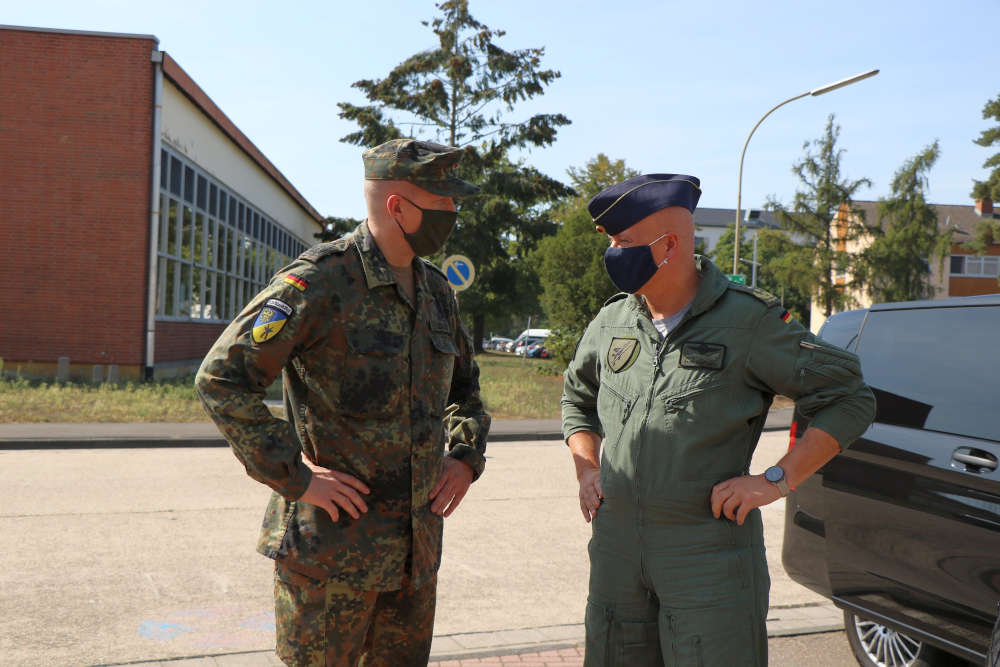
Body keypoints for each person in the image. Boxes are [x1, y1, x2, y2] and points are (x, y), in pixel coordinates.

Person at [196, 138, 491, 666]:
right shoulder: (320, 282)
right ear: (399, 206)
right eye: (444, 201)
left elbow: (465, 391)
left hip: (412, 558)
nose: (454, 212)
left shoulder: (437, 292)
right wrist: (297, 477)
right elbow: (222, 379)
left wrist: (465, 457)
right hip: (330, 560)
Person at [561, 174, 875, 666]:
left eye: (624, 243)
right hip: (616, 555)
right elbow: (577, 398)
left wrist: (775, 480)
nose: (613, 254)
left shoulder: (748, 322)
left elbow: (849, 398)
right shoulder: (613, 321)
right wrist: (586, 467)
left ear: (668, 245)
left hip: (706, 557)